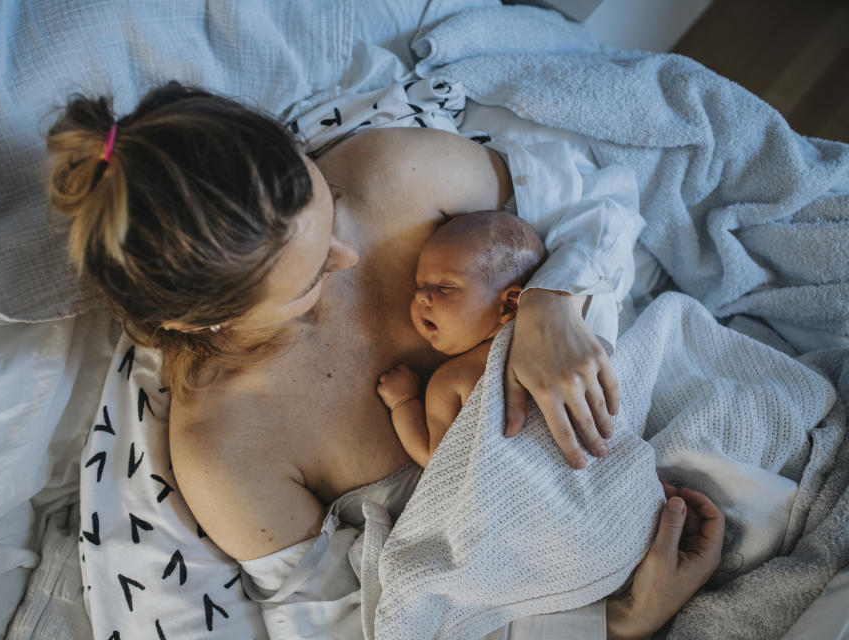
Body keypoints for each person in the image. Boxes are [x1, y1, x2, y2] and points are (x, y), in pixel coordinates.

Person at [47, 82, 724, 638]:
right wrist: (619, 621)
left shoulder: (390, 174)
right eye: (311, 278)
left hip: (662, 402)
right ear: (203, 319)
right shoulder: (230, 449)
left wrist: (551, 300)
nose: (347, 260)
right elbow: (358, 624)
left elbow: (597, 199)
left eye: (327, 210)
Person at [377, 211, 547, 467]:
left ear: (509, 305)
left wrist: (403, 403)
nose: (421, 296)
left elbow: (440, 465)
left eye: (445, 287)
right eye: (419, 284)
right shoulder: (550, 345)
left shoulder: (453, 379)